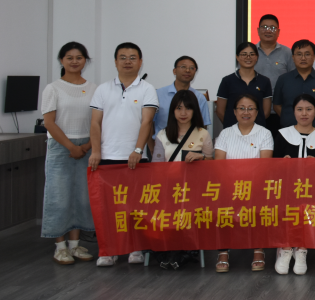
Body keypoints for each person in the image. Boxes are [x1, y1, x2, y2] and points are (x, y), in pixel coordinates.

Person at [89, 42, 159, 267]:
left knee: (136, 207)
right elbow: (95, 123)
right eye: (123, 57)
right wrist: (96, 151)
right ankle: (109, 251)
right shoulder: (102, 89)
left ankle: (135, 248)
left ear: (140, 62)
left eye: (132, 57)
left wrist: (138, 150)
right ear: (115, 61)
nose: (128, 61)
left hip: (136, 158)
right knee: (109, 208)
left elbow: (147, 122)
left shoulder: (147, 89)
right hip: (107, 157)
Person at [41, 42, 97, 265]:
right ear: (61, 60)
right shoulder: (53, 88)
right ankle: (60, 247)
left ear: (85, 61)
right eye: (69, 57)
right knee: (59, 197)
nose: (74, 61)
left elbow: (97, 122)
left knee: (82, 198)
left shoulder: (94, 88)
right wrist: (71, 147)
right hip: (60, 147)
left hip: (87, 146)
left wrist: (86, 146)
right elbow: (49, 122)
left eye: (79, 57)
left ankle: (75, 245)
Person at [214, 93, 274, 273]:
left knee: (258, 206)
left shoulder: (265, 133)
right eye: (241, 108)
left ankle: (258, 250)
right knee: (222, 207)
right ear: (234, 111)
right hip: (228, 186)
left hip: (256, 186)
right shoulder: (225, 133)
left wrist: (247, 185)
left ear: (257, 112)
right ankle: (223, 252)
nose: (246, 112)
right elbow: (219, 165)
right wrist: (232, 185)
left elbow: (264, 166)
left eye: (250, 109)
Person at [151, 90, 211, 270]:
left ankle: (182, 251)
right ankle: (172, 250)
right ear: (172, 111)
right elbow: (156, 167)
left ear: (195, 111)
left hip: (195, 191)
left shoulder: (202, 134)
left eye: (188, 108)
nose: (183, 113)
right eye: (178, 108)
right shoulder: (162, 135)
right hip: (168, 191)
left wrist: (201, 157)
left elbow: (213, 165)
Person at [273, 93, 315, 276]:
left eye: (308, 109)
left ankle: (302, 249)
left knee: (309, 206)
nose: (304, 113)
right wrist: (283, 163)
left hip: (313, 190)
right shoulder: (283, 134)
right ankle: (285, 248)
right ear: (293, 111)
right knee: (286, 205)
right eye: (300, 109)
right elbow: (272, 167)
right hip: (286, 189)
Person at [273, 40, 315, 131]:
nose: (303, 58)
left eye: (307, 54)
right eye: (299, 54)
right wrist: (288, 118)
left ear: (314, 57)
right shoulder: (283, 79)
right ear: (293, 57)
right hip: (289, 131)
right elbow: (277, 105)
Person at [152, 56, 211, 146]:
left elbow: (202, 125)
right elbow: (149, 122)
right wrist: (152, 147)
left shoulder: (199, 97)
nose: (187, 70)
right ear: (174, 71)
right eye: (183, 67)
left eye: (192, 68)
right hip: (161, 145)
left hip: (190, 146)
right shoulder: (158, 94)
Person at [216, 42, 273, 130]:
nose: (248, 57)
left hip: (257, 130)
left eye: (252, 54)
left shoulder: (264, 81)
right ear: (237, 57)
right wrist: (232, 128)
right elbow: (220, 111)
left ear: (257, 57)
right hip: (232, 130)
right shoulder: (227, 80)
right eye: (244, 54)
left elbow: (266, 112)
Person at [254, 14, 295, 132]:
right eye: (264, 27)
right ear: (258, 30)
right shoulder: (251, 52)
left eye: (272, 28)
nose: (268, 30)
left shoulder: (287, 52)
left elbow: (293, 80)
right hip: (255, 112)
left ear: (278, 32)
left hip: (280, 111)